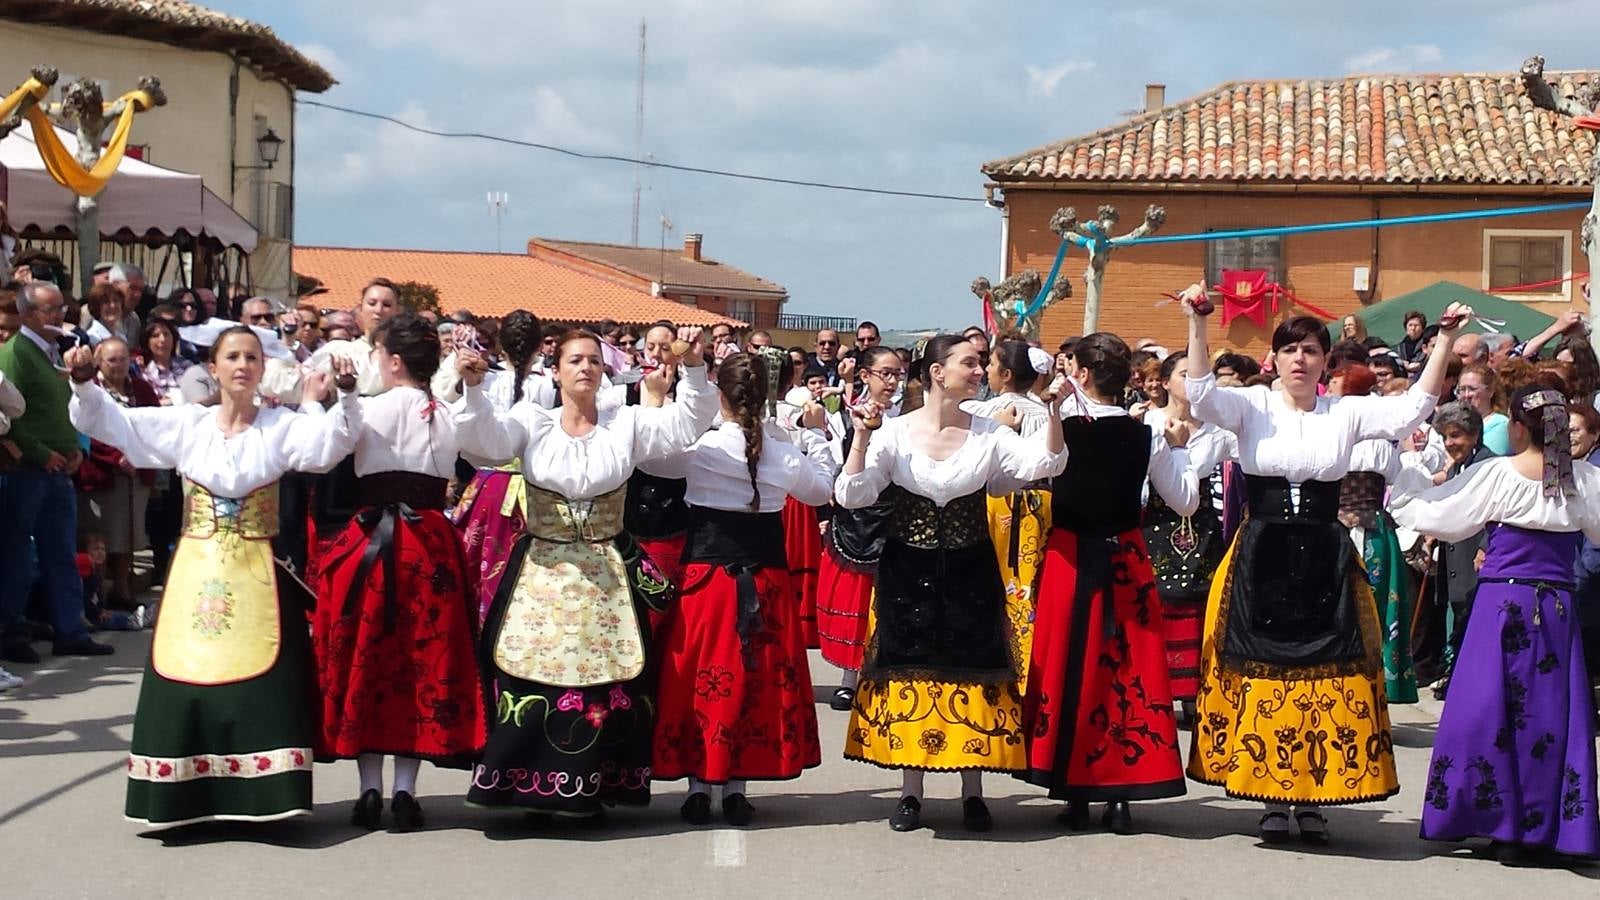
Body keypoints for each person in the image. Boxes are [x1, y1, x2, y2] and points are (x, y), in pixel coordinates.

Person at [1176, 283, 1459, 845]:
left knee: (1330, 675)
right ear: (1275, 359)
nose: (1300, 360)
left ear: (1325, 359)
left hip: (1326, 556)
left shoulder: (1346, 412)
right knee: (1263, 673)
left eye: (1310, 350)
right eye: (1290, 350)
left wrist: (1444, 341)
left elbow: (1411, 410)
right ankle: (1271, 794)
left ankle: (1314, 794)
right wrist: (1199, 322)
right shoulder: (1252, 404)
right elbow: (1203, 395)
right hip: (1262, 554)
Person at [66, 327, 360, 828]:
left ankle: (264, 791)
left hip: (257, 569)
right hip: (197, 570)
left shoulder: (280, 426)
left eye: (251, 357)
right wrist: (83, 385)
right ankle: (183, 789)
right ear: (215, 367)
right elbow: (116, 425)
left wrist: (348, 398)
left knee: (258, 673)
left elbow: (328, 445)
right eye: (232, 357)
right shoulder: (189, 424)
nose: (243, 365)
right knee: (189, 668)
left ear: (263, 369)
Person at [455, 327, 715, 820]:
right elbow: (484, 443)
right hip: (542, 569)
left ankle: (592, 784)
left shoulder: (626, 425)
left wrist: (696, 369)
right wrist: (471, 389)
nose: (585, 368)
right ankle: (529, 784)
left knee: (604, 674)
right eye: (575, 360)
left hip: (604, 572)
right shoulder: (532, 422)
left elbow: (686, 424)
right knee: (532, 666)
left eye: (594, 360)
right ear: (556, 371)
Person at [836, 334, 1067, 833]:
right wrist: (860, 437)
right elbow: (852, 494)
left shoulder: (988, 432)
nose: (980, 370)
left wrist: (1052, 413)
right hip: (906, 571)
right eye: (970, 362)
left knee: (973, 670)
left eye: (982, 362)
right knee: (910, 670)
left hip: (970, 568)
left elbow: (1043, 465)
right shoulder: (894, 432)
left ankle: (972, 791)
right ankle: (910, 792)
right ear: (937, 372)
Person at [1390, 386, 1600, 863]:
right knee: (1549, 717)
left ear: (1518, 428)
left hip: (1502, 605)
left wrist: (1405, 473)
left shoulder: (1498, 474)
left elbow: (1442, 517)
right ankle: (1542, 828)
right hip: (1556, 609)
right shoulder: (1583, 480)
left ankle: (1489, 818)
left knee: (1484, 713)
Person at [313, 313, 486, 832]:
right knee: (419, 660)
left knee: (370, 656)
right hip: (429, 545)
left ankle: (369, 789)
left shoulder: (367, 409)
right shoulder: (447, 414)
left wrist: (337, 399)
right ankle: (406, 792)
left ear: (391, 361)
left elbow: (326, 453)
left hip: (371, 542)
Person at [1022, 333, 1200, 834]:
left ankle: (1074, 788)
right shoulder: (1147, 435)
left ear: (1079, 374)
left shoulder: (1058, 429)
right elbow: (1185, 501)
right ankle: (1119, 795)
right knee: (1126, 671)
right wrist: (1182, 450)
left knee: (1069, 666)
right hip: (1126, 558)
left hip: (1070, 557)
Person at [648, 352, 835, 825]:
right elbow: (821, 491)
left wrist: (659, 402)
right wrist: (814, 434)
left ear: (720, 396)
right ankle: (736, 788)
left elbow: (654, 460)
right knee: (756, 681)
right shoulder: (784, 451)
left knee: (702, 678)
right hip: (766, 583)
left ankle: (698, 783)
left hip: (707, 583)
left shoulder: (703, 451)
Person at [0, 281, 114, 663]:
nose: (60, 316)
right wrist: (41, 452)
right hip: (27, 469)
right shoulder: (15, 352)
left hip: (58, 468)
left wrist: (74, 449)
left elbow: (63, 409)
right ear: (28, 313)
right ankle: (10, 633)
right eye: (51, 310)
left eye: (62, 309)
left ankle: (71, 629)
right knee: (17, 555)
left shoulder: (53, 351)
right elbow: (7, 417)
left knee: (61, 552)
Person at [1141, 350, 1234, 720]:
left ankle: (1197, 692)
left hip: (1203, 527)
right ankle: (1158, 689)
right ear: (1164, 383)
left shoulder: (1219, 431)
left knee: (1201, 600)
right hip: (1156, 525)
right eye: (1182, 374)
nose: (1191, 382)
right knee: (1159, 600)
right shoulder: (1146, 423)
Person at [446, 311, 551, 624]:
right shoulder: (549, 387)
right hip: (535, 492)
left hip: (485, 491)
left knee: (478, 569)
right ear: (539, 348)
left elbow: (458, 431)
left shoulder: (481, 380)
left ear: (500, 345)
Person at [815, 345, 903, 710]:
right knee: (858, 598)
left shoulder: (910, 414)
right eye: (886, 373)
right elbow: (833, 460)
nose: (893, 380)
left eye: (898, 373)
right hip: (857, 516)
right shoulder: (843, 413)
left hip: (896, 514)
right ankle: (849, 679)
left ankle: (887, 673)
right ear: (865, 375)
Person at [963, 341, 1053, 692]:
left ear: (1007, 374)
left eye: (992, 364)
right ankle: (1032, 660)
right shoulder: (1046, 413)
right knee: (1031, 582)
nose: (985, 371)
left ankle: (1000, 655)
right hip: (1042, 501)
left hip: (1000, 501)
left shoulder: (985, 412)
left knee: (998, 579)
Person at [1415, 402, 1495, 699]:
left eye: (1457, 436)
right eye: (1446, 437)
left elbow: (1499, 513)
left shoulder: (1489, 466)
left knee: (1473, 623)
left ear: (1475, 435)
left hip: (1476, 557)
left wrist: (1485, 548)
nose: (1450, 443)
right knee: (1460, 618)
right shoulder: (1456, 469)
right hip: (1454, 558)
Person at [75, 337, 159, 609]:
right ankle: (96, 591)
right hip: (103, 475)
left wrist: (140, 455)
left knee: (129, 534)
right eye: (112, 359)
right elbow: (87, 430)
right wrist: (117, 457)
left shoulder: (142, 389)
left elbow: (155, 425)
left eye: (123, 359)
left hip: (136, 473)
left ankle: (123, 589)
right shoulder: (93, 392)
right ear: (99, 362)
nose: (119, 365)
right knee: (101, 535)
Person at [1457, 363, 1511, 455]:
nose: (1466, 395)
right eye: (1462, 389)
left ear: (1490, 391)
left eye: (1472, 389)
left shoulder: (1500, 424)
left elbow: (1486, 461)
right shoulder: (1456, 423)